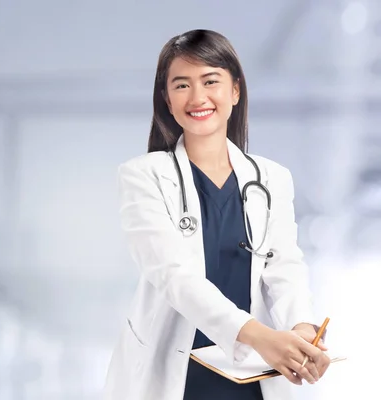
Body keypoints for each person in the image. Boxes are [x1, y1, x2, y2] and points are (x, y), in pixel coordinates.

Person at [103, 29, 331, 400]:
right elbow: (173, 276)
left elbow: (284, 265)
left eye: (211, 81)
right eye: (181, 85)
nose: (197, 97)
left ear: (235, 91)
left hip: (253, 372)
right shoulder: (141, 176)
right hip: (176, 371)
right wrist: (263, 336)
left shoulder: (272, 178)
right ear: (167, 99)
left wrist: (300, 328)